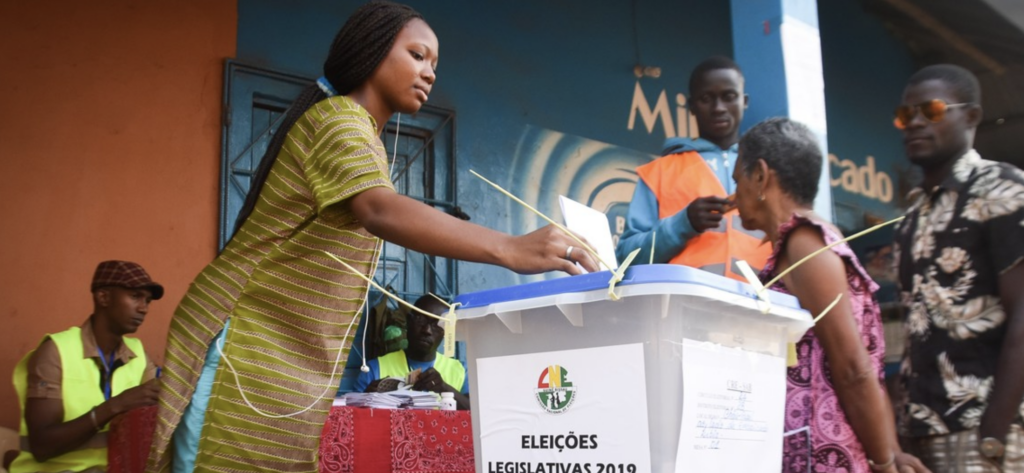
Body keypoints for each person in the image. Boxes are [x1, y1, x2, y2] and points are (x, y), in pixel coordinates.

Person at [148, 2, 598, 472]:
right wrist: (510, 247)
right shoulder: (340, 120)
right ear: (374, 51)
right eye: (418, 55)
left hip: (280, 355)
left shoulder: (361, 134)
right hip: (245, 341)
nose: (429, 73)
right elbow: (379, 209)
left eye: (435, 64)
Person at [731, 118, 927, 473]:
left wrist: (883, 461)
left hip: (820, 453)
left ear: (760, 176)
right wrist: (890, 449)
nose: (733, 195)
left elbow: (854, 367)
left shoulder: (805, 245)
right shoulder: (814, 241)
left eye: (737, 180)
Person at [893, 64, 1024, 472]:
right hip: (920, 432)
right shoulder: (911, 215)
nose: (914, 122)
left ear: (970, 117)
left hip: (982, 428)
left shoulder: (1000, 188)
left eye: (931, 110)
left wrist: (994, 431)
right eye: (905, 114)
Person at [616, 56, 771, 282]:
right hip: (683, 309)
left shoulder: (767, 170)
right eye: (706, 98)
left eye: (729, 97)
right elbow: (626, 259)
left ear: (744, 101)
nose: (718, 108)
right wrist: (683, 223)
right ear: (691, 106)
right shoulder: (661, 172)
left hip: (764, 310)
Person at [10, 260, 162, 473]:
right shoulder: (55, 351)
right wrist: (115, 405)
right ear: (103, 297)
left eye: (147, 300)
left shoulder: (138, 355)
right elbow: (41, 447)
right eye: (135, 296)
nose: (144, 308)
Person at [354, 295, 470, 410]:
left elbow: (479, 413)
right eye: (421, 320)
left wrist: (443, 388)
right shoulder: (374, 369)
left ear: (446, 330)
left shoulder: (461, 371)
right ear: (408, 321)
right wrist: (366, 399)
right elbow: (351, 417)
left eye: (437, 325)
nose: (427, 330)